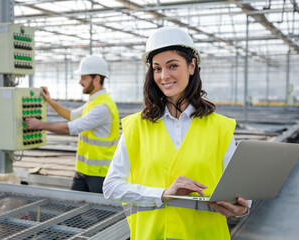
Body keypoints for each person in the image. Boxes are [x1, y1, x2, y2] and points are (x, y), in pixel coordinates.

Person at [103, 27, 251, 239]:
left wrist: (243, 208)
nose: (164, 76)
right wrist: (162, 194)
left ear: (192, 66)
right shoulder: (135, 126)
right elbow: (111, 186)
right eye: (157, 68)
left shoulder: (221, 127)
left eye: (172, 66)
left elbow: (240, 190)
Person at [26, 55, 120, 193]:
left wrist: (40, 125)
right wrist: (49, 101)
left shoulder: (103, 107)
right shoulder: (94, 101)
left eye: (84, 78)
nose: (80, 82)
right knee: (74, 207)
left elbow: (71, 128)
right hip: (83, 170)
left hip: (99, 174)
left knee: (99, 212)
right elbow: (70, 115)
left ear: (97, 79)